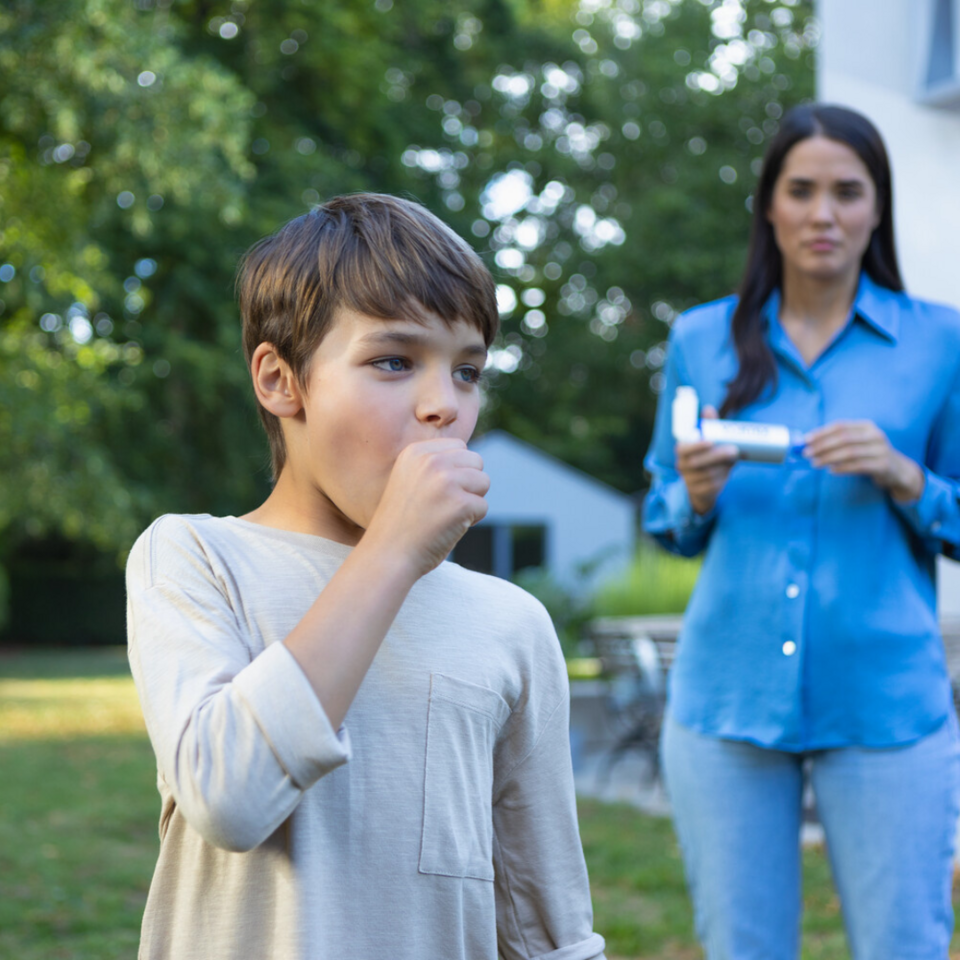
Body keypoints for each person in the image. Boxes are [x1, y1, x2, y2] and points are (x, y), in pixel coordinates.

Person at [126, 194, 606, 960]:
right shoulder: (195, 558)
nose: (442, 405)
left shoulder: (512, 623)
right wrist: (390, 552)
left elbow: (544, 920)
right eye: (393, 361)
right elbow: (228, 796)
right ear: (281, 381)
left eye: (469, 371)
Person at [643, 104, 960, 959]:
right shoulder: (701, 339)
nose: (825, 214)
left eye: (848, 192)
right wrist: (695, 496)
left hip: (888, 704)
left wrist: (907, 477)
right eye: (803, 190)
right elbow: (662, 517)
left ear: (877, 208)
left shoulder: (941, 343)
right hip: (725, 703)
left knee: (906, 947)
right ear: (770, 207)